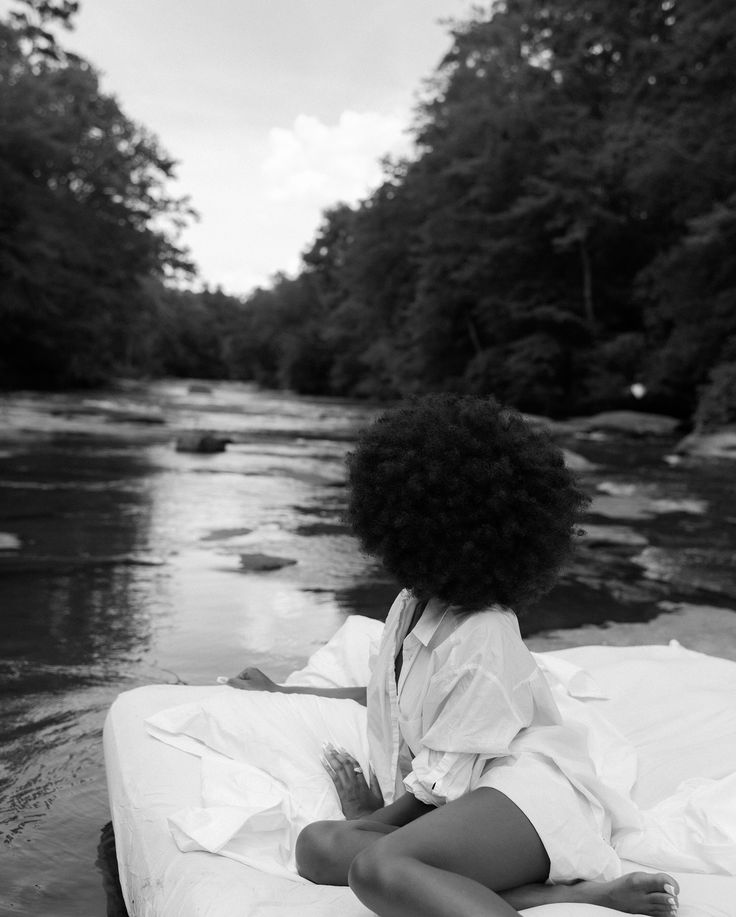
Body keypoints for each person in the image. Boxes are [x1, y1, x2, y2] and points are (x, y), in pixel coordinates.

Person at [226, 395, 680, 917]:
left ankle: (563, 887)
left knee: (375, 867)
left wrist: (372, 819)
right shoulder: (410, 603)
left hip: (523, 797)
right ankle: (565, 898)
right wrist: (284, 691)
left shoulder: (484, 632)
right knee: (314, 847)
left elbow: (444, 782)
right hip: (460, 801)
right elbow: (386, 692)